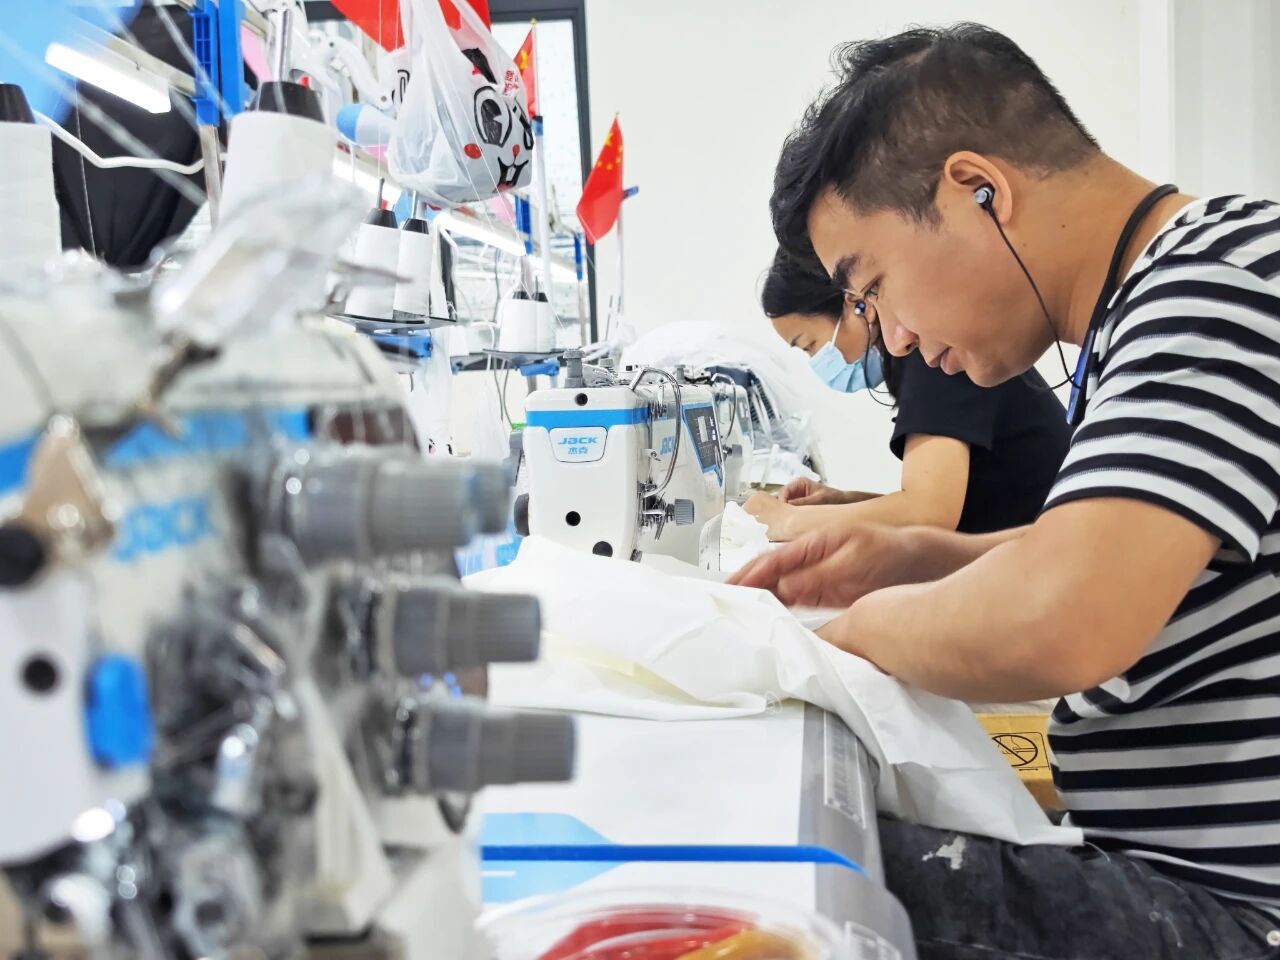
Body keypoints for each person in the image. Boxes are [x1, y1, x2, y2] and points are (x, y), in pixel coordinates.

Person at [733, 22, 1280, 960]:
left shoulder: (1212, 287)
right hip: (1184, 870)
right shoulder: (1164, 301)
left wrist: (831, 644)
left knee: (787, 880)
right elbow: (1113, 553)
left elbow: (1066, 615)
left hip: (1239, 910)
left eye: (873, 289)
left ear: (977, 188)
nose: (892, 338)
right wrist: (918, 556)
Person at [747, 249, 1070, 541]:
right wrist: (841, 501)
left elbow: (928, 511)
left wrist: (788, 522)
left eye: (810, 346)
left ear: (855, 302)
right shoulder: (919, 358)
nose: (816, 361)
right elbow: (954, 506)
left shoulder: (935, 354)